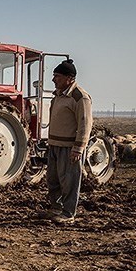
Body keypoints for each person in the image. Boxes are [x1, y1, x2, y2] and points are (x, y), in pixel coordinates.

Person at [43, 59, 93, 224]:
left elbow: (85, 124)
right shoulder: (58, 95)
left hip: (70, 147)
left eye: (57, 76)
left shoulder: (80, 97)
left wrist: (78, 148)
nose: (53, 79)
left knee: (69, 180)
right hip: (55, 144)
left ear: (69, 78)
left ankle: (68, 213)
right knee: (53, 179)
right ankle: (56, 208)